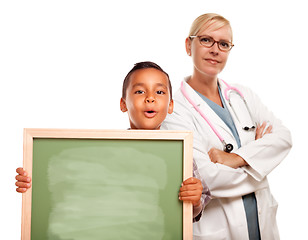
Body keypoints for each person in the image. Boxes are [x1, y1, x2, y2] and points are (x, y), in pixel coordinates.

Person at [16, 61, 208, 220]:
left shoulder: (182, 155)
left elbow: (192, 212)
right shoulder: (102, 152)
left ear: (171, 105)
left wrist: (196, 202)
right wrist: (33, 183)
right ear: (123, 104)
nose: (150, 98)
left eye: (159, 92)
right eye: (140, 92)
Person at [161, 13, 292, 239]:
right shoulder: (174, 109)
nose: (215, 50)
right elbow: (208, 179)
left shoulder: (243, 95)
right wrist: (262, 164)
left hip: (262, 225)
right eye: (206, 40)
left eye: (224, 44)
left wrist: (236, 159)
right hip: (217, 230)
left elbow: (284, 138)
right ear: (188, 45)